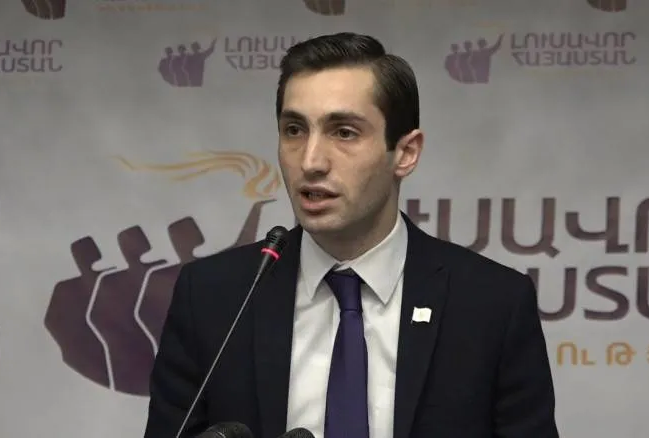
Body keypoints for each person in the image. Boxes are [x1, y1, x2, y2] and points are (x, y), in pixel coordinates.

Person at [144, 32, 559, 438]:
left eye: (344, 132)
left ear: (406, 153)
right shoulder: (214, 297)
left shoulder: (493, 304)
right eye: (294, 130)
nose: (311, 161)